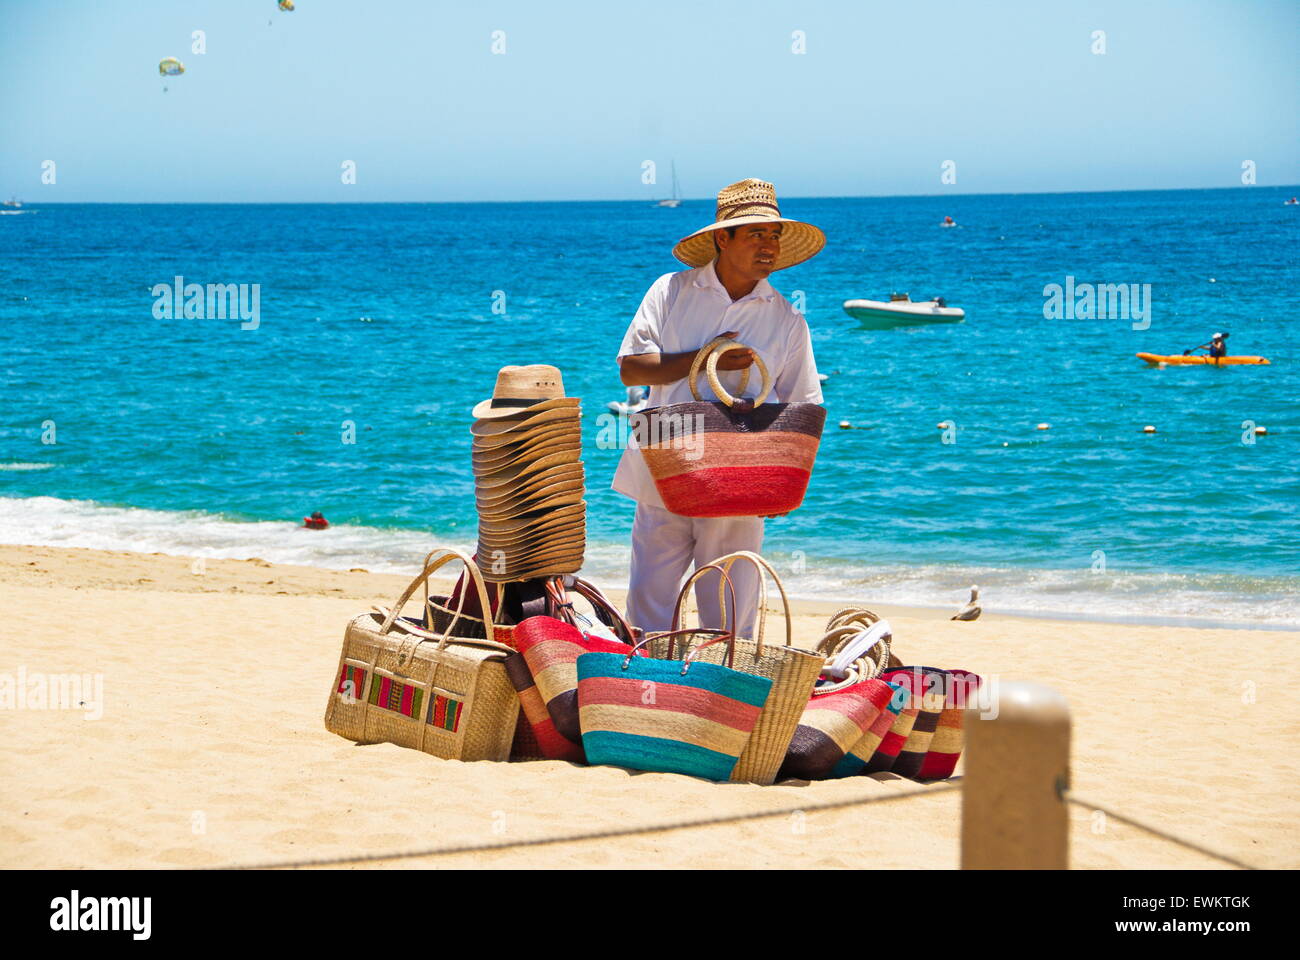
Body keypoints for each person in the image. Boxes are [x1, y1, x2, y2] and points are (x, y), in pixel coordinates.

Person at [613, 178, 825, 635]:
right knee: (650, 607)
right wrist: (702, 358)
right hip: (663, 469)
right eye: (756, 234)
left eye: (774, 235)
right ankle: (644, 695)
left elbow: (802, 406)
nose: (769, 245)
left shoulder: (786, 319)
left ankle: (719, 698)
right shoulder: (670, 291)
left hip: (739, 480)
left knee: (729, 619)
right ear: (721, 238)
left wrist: (785, 482)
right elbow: (631, 370)